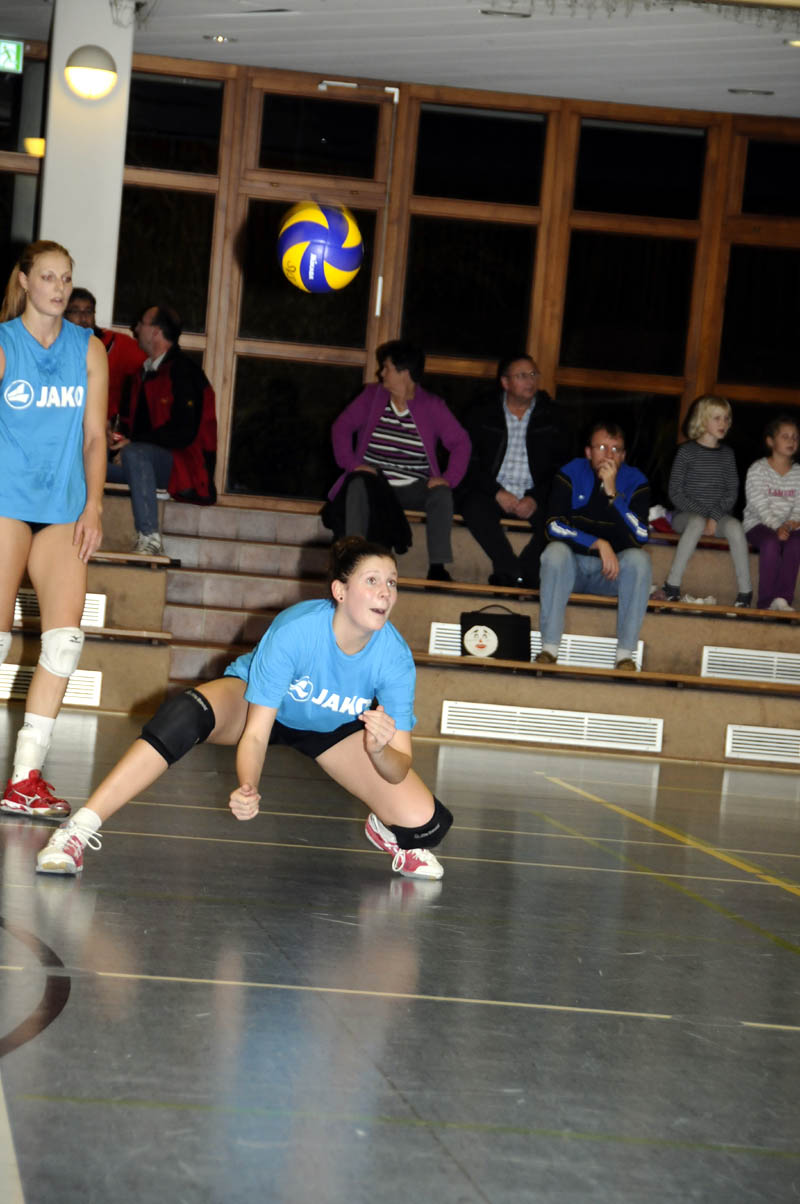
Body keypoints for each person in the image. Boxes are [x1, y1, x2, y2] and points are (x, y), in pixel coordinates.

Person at [36, 537, 454, 880]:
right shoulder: (297, 631)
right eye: (372, 580)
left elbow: (400, 765)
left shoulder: (394, 657)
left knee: (426, 824)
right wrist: (248, 785)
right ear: (340, 591)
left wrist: (378, 751)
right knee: (183, 716)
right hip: (258, 704)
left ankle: (387, 831)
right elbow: (256, 733)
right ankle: (77, 831)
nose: (385, 592)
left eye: (392, 583)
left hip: (331, 728)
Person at [0, 239, 107, 819]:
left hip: (63, 508)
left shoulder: (88, 349)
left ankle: (24, 779)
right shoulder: (3, 343)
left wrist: (94, 506)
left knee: (64, 643)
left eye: (66, 278)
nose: (60, 288)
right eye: (48, 277)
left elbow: (94, 437)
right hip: (5, 503)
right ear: (24, 281)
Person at [327, 340, 470, 581]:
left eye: (387, 368)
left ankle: (438, 567)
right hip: (376, 484)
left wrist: (449, 478)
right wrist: (352, 465)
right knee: (357, 483)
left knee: (442, 494)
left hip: (415, 486)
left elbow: (461, 442)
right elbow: (341, 427)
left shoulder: (432, 405)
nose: (381, 373)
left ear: (404, 372)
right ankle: (353, 557)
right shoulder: (371, 396)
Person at [535, 421, 651, 670]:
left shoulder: (636, 480)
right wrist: (597, 543)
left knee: (640, 560)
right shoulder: (571, 472)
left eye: (615, 449)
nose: (608, 455)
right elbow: (553, 526)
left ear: (623, 456)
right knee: (554, 553)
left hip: (611, 573)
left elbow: (641, 536)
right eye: (601, 447)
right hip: (571, 569)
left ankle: (625, 655)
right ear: (588, 452)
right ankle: (549, 648)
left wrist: (613, 495)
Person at [107, 304, 217, 555]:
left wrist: (133, 444)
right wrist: (112, 439)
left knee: (135, 453)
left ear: (156, 332)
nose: (135, 329)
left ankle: (149, 536)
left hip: (182, 468)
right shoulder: (141, 375)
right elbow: (127, 426)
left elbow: (183, 432)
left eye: (141, 323)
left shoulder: (184, 373)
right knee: (89, 458)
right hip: (141, 462)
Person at [457, 353, 570, 588]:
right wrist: (497, 492)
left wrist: (535, 497)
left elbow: (561, 467)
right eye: (521, 376)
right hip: (493, 493)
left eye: (533, 374)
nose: (530, 381)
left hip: (536, 495)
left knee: (561, 518)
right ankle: (509, 569)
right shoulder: (482, 413)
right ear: (505, 382)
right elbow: (469, 462)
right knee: (472, 506)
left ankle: (525, 570)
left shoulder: (553, 416)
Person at [658, 395, 752, 607]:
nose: (723, 423)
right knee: (697, 522)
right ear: (702, 420)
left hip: (717, 518)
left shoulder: (727, 454)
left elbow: (731, 491)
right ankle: (672, 585)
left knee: (736, 527)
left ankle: (745, 593)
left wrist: (715, 517)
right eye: (717, 418)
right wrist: (705, 515)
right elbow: (675, 493)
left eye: (726, 418)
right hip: (686, 516)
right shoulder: (686, 452)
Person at [743, 415, 800, 611]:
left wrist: (792, 523)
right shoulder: (757, 469)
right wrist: (777, 527)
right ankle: (765, 603)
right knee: (771, 543)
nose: (791, 441)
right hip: (759, 524)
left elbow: (799, 506)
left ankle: (782, 600)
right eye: (785, 436)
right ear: (770, 441)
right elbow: (759, 505)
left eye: (795, 437)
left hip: (790, 526)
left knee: (796, 543)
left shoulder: (798, 472)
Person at [64, 287, 146, 420]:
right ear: (63, 315)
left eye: (88, 311)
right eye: (75, 311)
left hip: (104, 422)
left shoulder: (115, 343)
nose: (83, 317)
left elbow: (155, 361)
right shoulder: (52, 345)